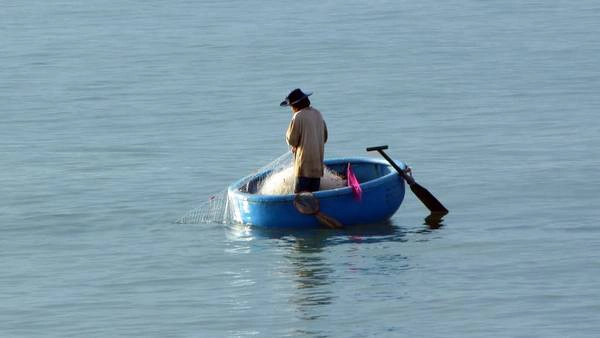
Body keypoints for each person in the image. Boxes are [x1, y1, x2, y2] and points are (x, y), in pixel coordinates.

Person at [281, 88, 328, 193]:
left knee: (301, 201)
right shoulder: (318, 114)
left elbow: (291, 140)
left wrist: (296, 146)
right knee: (313, 199)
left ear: (295, 105)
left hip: (303, 168)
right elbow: (324, 137)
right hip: (317, 168)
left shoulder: (298, 117)